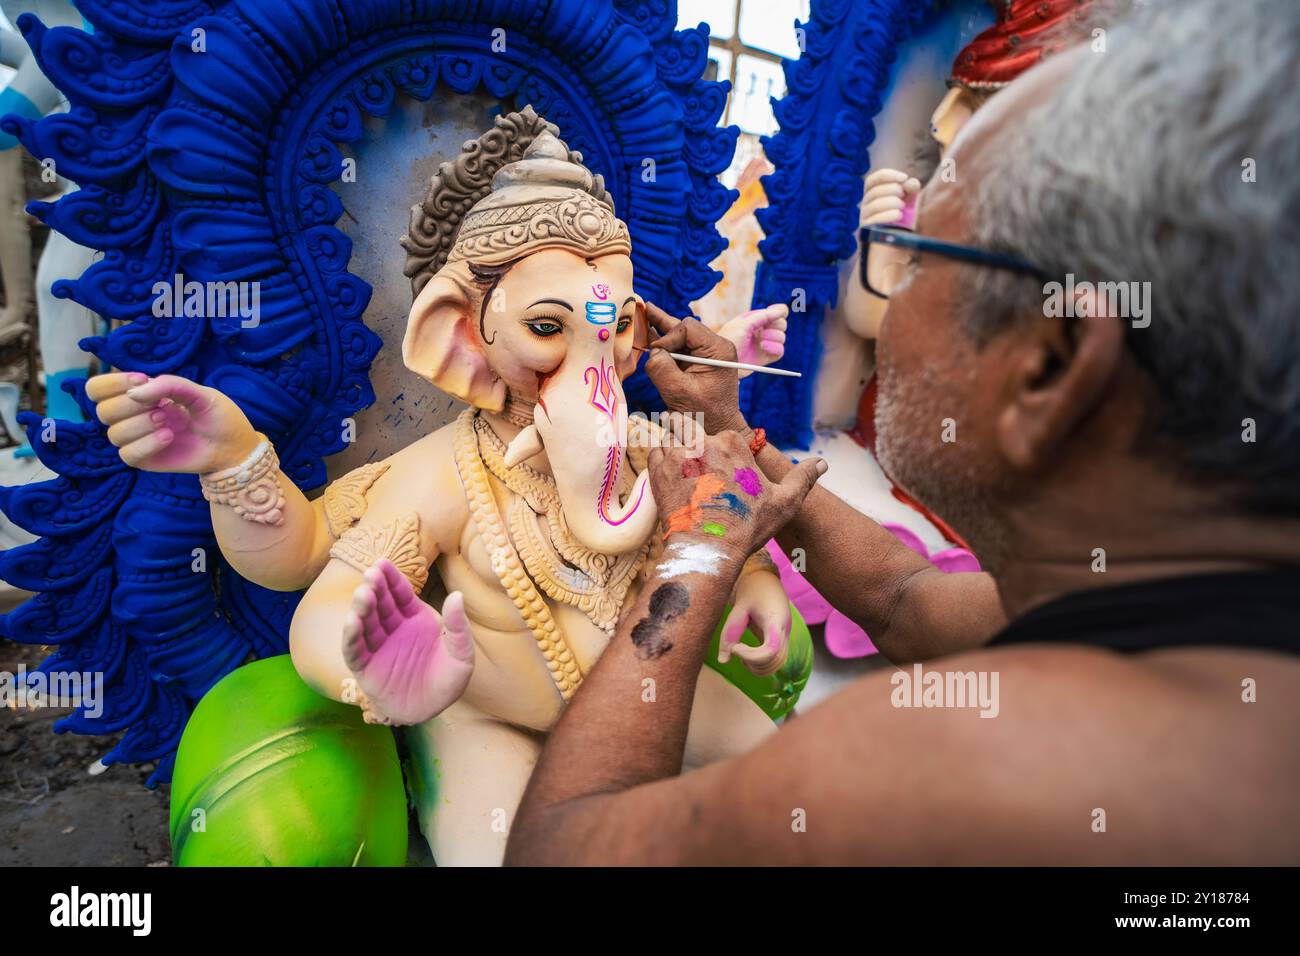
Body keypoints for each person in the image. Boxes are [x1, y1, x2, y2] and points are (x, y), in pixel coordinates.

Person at [504, 0, 1300, 865]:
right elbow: (907, 600)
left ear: (1051, 364)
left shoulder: (925, 773)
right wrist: (737, 435)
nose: (894, 293)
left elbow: (560, 847)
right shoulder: (1188, 622)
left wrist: (696, 550)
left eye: (921, 260)